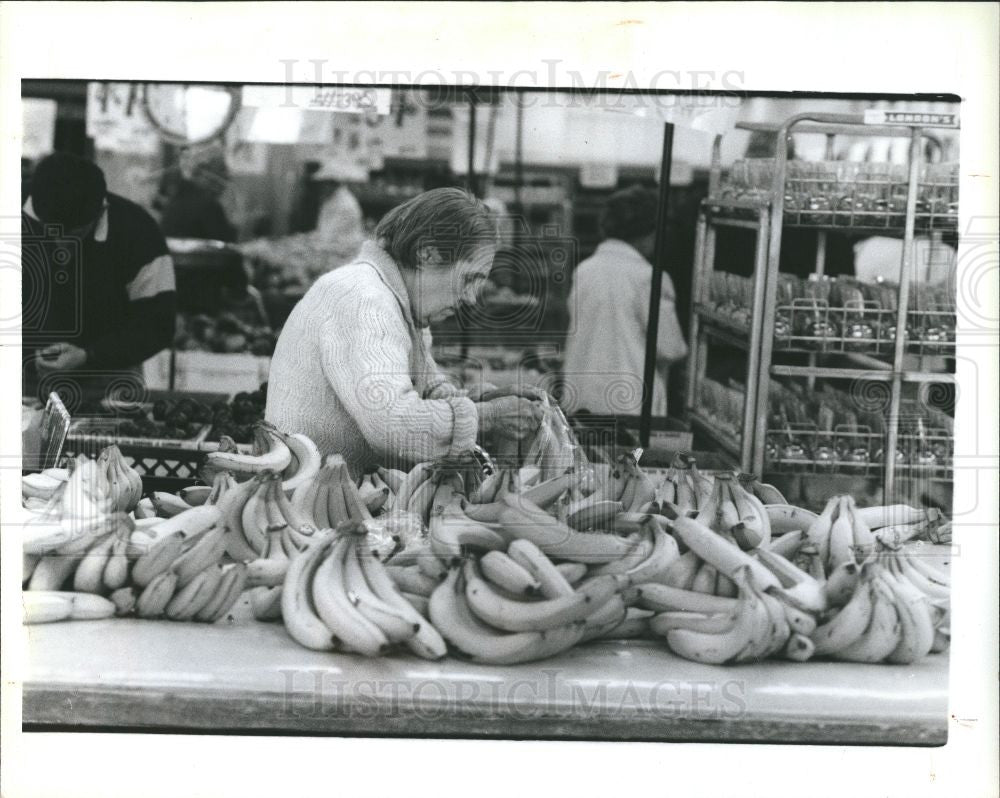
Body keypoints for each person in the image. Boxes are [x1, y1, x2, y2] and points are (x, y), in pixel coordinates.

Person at [265, 188, 542, 477]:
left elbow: (422, 391)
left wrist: (477, 402)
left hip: (347, 490)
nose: (472, 298)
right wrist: (487, 417)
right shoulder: (364, 299)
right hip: (310, 501)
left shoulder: (400, 304)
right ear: (427, 254)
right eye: (470, 278)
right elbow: (392, 424)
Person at [22, 152, 177, 401]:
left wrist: (90, 354)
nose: (62, 244)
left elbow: (157, 323)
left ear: (101, 210)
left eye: (76, 233)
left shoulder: (138, 232)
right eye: (51, 231)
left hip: (109, 386)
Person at [560, 186, 688, 418]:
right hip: (629, 408)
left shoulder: (585, 270)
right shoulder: (648, 277)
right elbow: (670, 347)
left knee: (585, 454)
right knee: (633, 457)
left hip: (581, 400)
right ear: (650, 233)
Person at [158, 149, 237, 243]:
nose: (227, 177)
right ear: (203, 173)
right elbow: (228, 249)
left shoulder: (174, 202)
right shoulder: (209, 207)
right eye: (222, 170)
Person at [313, 160, 366, 260]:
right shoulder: (331, 199)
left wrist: (314, 247)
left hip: (344, 253)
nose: (321, 187)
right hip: (333, 250)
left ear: (332, 183)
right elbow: (322, 229)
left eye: (323, 183)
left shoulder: (345, 204)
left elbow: (329, 235)